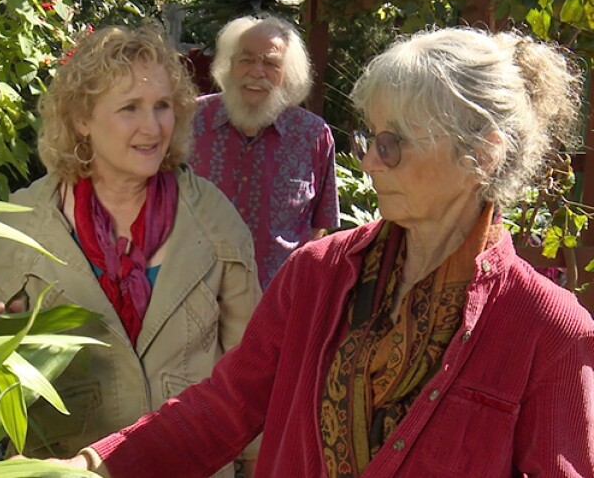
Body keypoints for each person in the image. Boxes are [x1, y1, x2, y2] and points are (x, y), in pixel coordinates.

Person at [49, 27, 594, 477]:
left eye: (392, 144)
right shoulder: (319, 274)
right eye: (368, 139)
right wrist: (94, 465)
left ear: (481, 152)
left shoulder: (546, 328)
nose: (370, 163)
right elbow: (221, 408)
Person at [0, 25, 262, 476]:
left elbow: (251, 370)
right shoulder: (22, 224)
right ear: (82, 119)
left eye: (162, 106)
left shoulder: (212, 216)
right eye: (130, 108)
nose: (153, 127)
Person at [188, 15, 340, 288]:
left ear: (288, 74)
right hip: (194, 295)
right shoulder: (189, 120)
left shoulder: (312, 135)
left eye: (271, 63)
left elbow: (319, 228)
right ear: (229, 65)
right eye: (246, 60)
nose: (257, 71)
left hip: (278, 304)